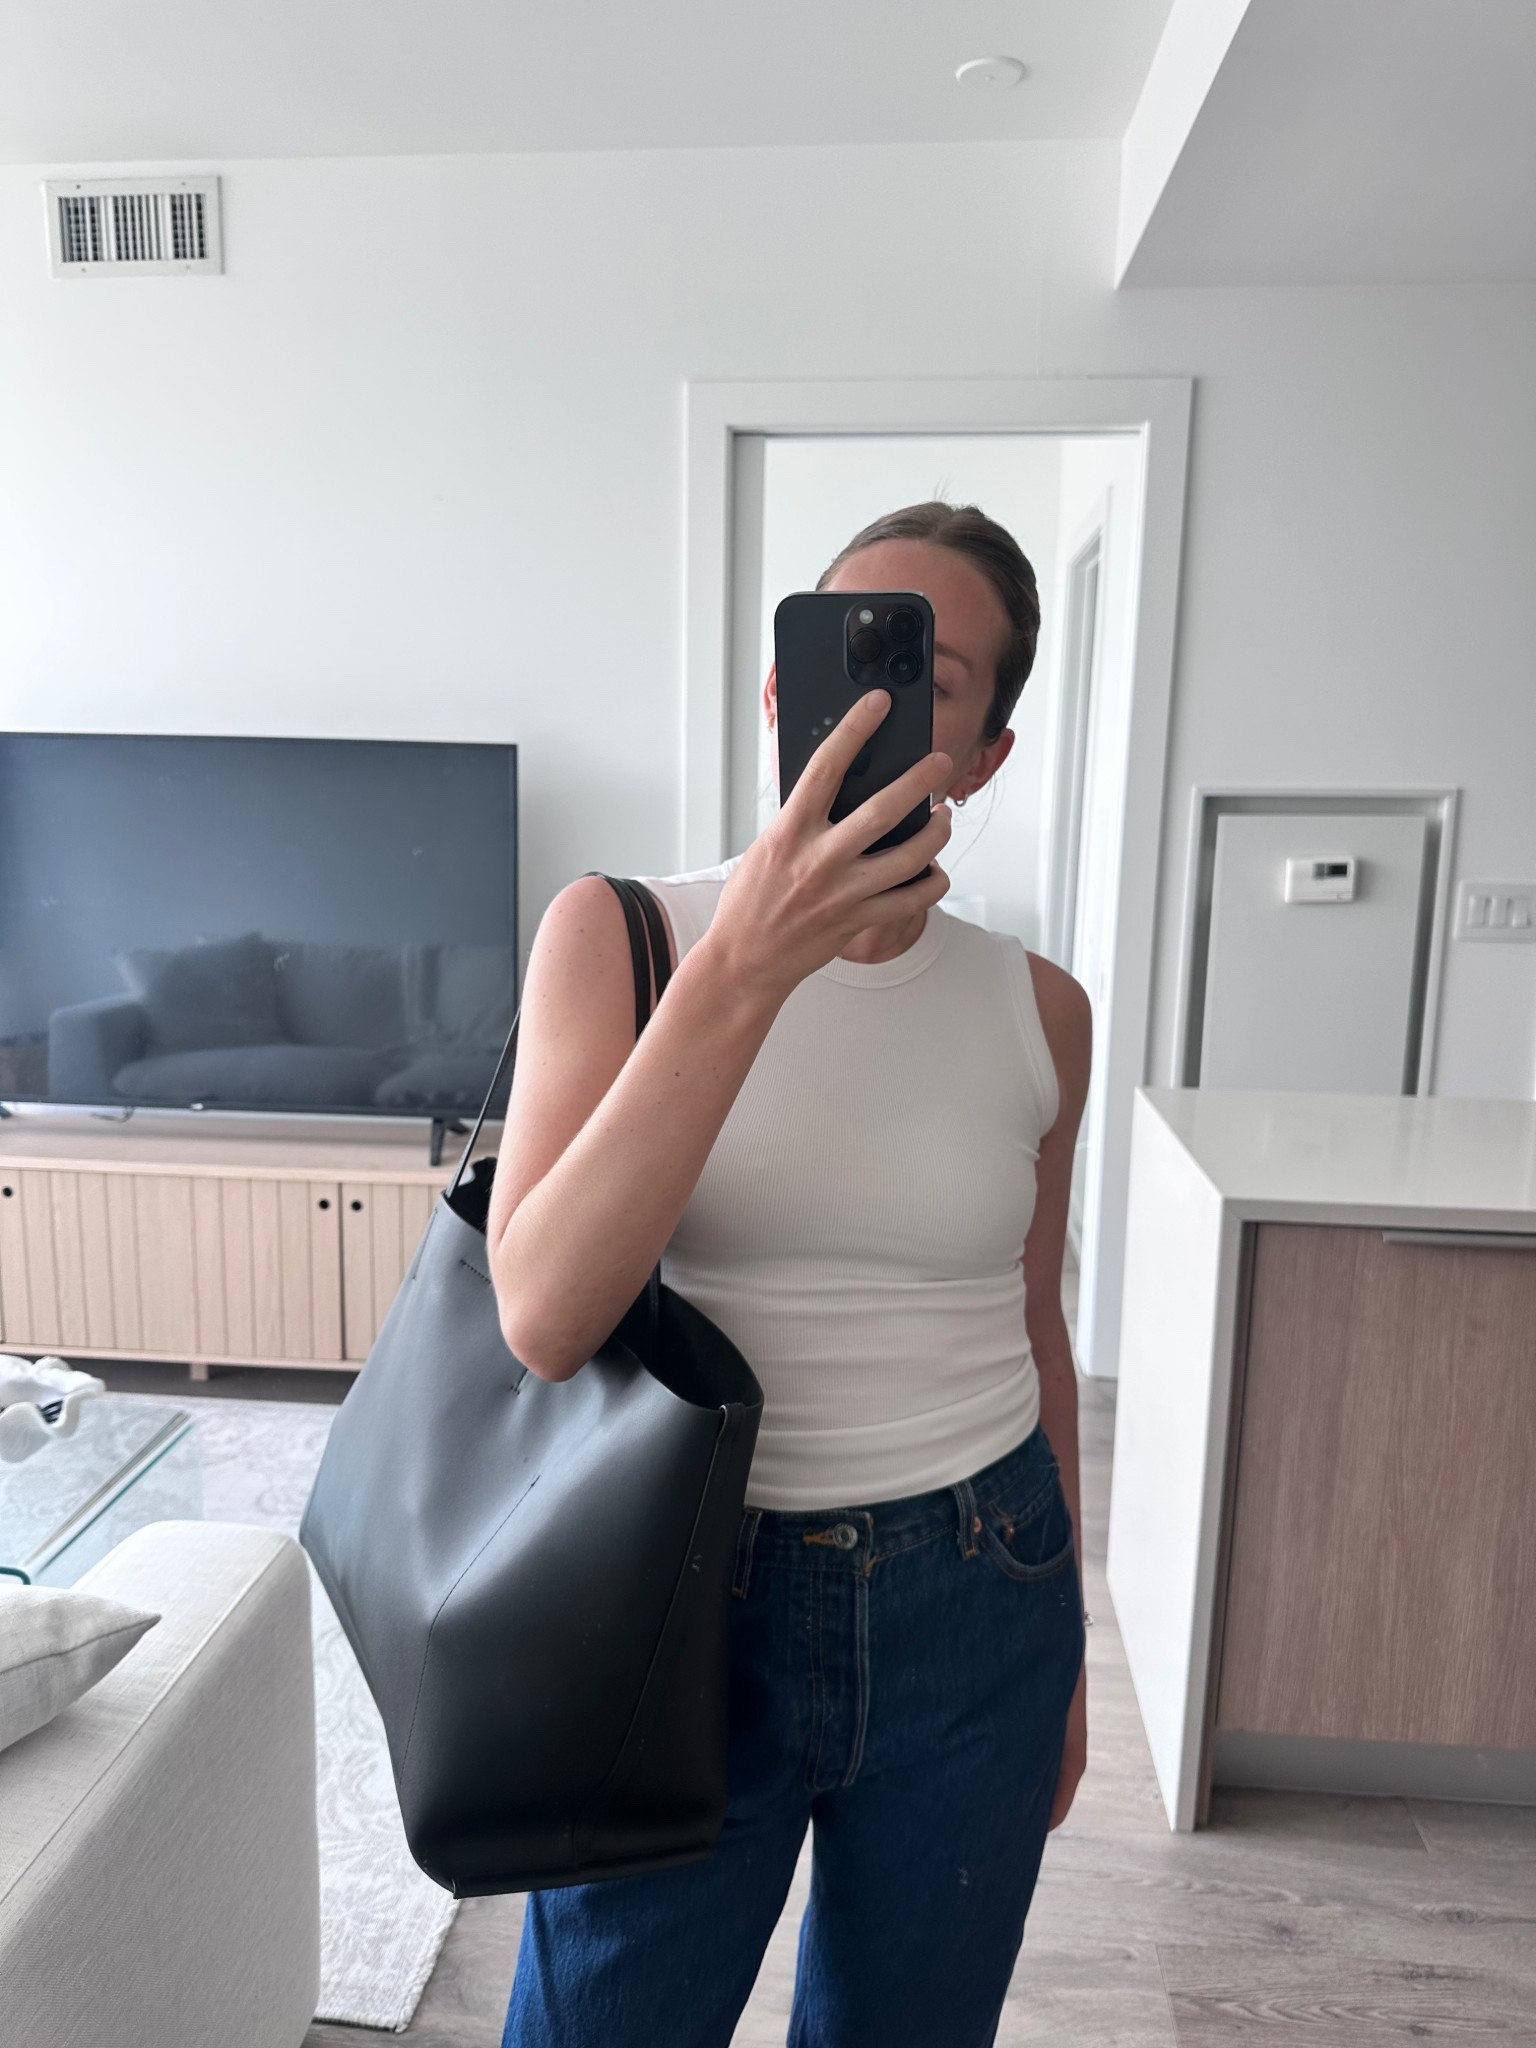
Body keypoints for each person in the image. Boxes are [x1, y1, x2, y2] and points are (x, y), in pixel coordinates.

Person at [488, 501, 1093, 2048]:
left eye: (928, 677)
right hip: (680, 1599)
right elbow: (544, 1317)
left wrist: (1070, 1644)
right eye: (843, 657)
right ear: (779, 693)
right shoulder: (618, 936)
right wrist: (750, 963)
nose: (874, 706)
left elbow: (1036, 1322)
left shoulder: (1042, 1011)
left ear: (985, 757)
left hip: (982, 1593)